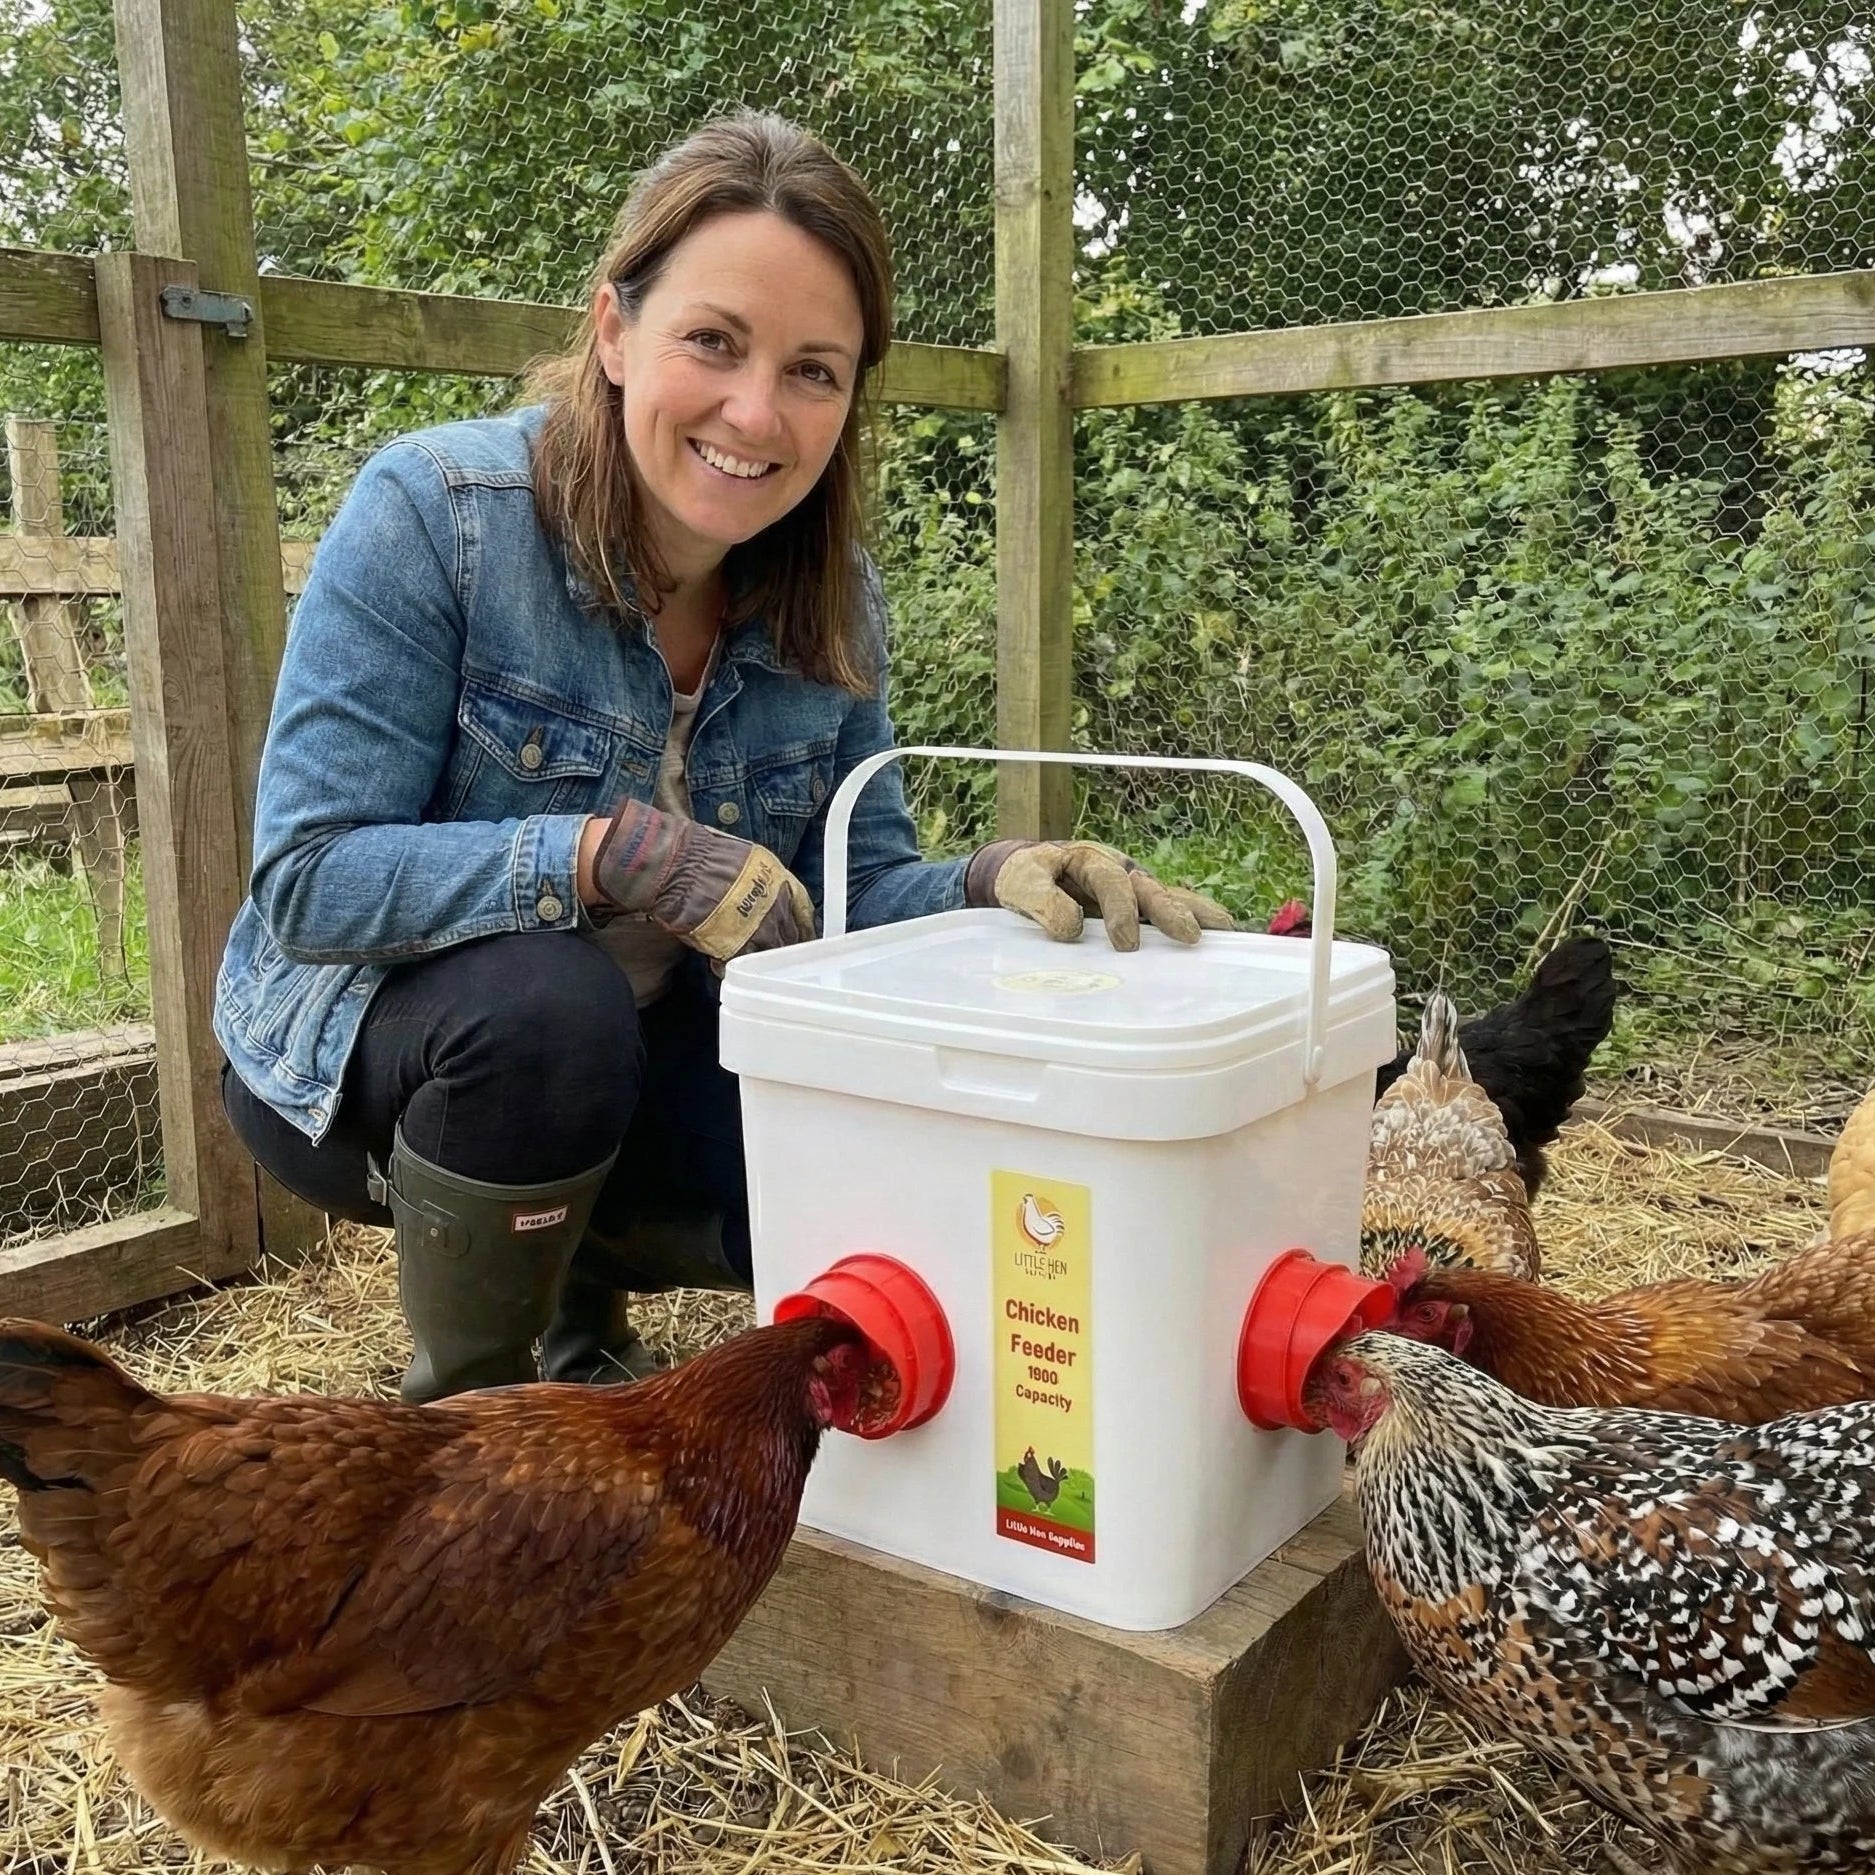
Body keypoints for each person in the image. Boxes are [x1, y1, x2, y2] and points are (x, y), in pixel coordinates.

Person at [214, 111, 1233, 1404]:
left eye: (815, 370)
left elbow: (853, 905)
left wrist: (996, 882)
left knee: (861, 1134)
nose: (757, 412)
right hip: (368, 1054)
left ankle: (588, 1301)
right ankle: (470, 1425)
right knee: (552, 1009)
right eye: (713, 342)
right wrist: (612, 854)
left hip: (633, 1051)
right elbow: (308, 882)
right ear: (613, 332)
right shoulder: (435, 520)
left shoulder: (833, 597)